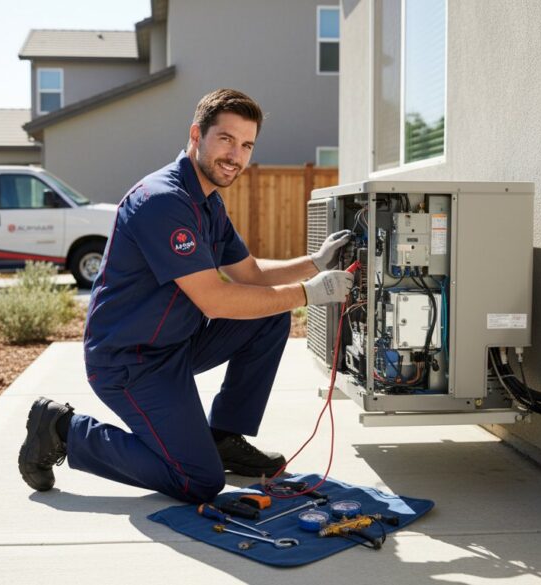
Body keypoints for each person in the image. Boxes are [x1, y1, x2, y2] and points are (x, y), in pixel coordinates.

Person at [18, 89, 353, 504]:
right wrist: (308, 294)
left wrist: (315, 264)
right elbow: (216, 300)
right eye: (226, 139)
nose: (236, 155)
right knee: (197, 481)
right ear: (197, 135)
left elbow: (248, 274)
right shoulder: (163, 201)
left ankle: (223, 436)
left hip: (176, 345)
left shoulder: (208, 202)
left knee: (269, 317)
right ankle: (63, 430)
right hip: (129, 362)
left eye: (246, 145)